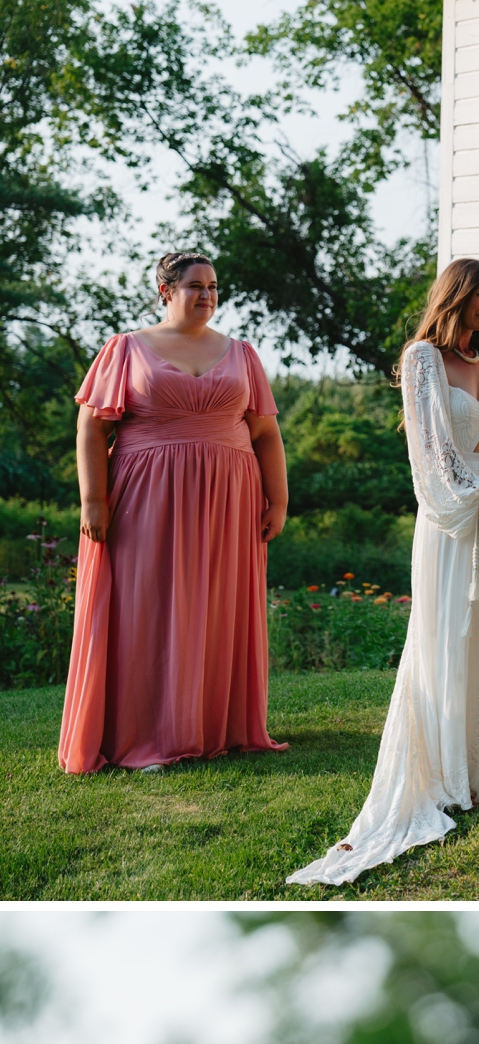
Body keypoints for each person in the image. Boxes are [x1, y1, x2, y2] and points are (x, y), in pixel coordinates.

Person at [288, 258, 479, 887]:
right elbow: (433, 451)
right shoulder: (422, 359)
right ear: (454, 296)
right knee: (449, 633)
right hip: (458, 520)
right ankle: (449, 773)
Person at [59, 252, 288, 773]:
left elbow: (267, 432)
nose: (206, 295)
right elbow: (92, 429)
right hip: (145, 494)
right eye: (194, 286)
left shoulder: (242, 354)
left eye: (213, 286)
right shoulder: (126, 349)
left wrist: (279, 500)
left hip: (230, 497)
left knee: (215, 604)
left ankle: (213, 727)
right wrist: (94, 500)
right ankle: (145, 735)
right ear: (165, 291)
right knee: (147, 605)